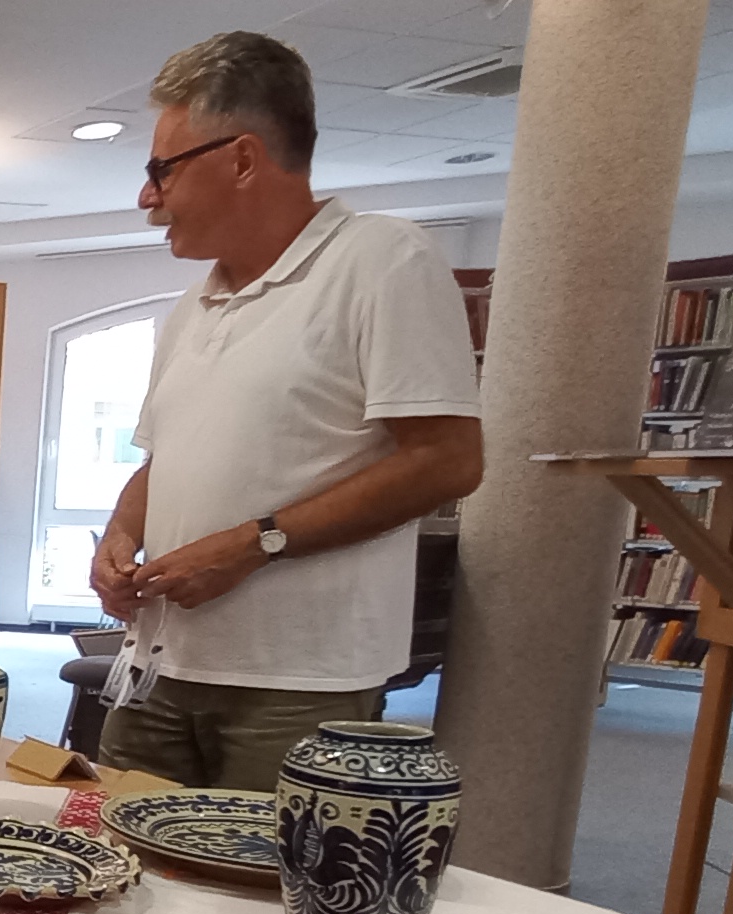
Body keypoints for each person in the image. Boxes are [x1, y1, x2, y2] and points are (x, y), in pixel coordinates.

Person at [87, 31, 484, 791]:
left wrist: (255, 543)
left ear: (242, 158)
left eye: (162, 169)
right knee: (120, 849)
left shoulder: (382, 260)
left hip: (297, 682)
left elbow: (449, 460)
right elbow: (162, 460)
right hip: (157, 664)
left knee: (261, 865)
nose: (147, 197)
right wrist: (120, 536)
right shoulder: (194, 305)